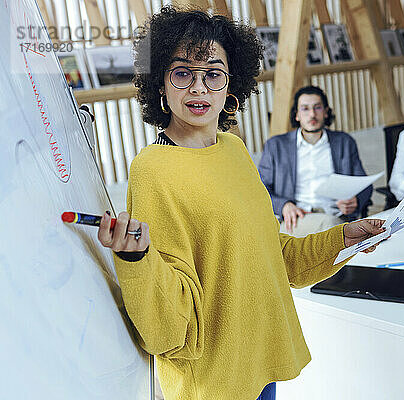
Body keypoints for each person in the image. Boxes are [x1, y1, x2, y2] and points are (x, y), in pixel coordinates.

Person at [95, 7, 384, 400]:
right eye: (182, 73)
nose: (198, 88)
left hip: (260, 363)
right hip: (215, 381)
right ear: (160, 84)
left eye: (213, 74)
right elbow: (169, 318)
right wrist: (136, 260)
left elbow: (272, 256)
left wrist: (343, 239)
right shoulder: (152, 168)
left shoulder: (235, 149)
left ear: (231, 87)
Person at [258, 86, 373, 237]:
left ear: (325, 112)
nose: (312, 114)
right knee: (335, 230)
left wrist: (355, 201)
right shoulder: (276, 146)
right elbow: (260, 188)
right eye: (305, 109)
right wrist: (284, 205)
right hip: (297, 220)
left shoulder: (344, 142)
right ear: (297, 115)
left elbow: (364, 184)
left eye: (317, 108)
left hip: (336, 215)